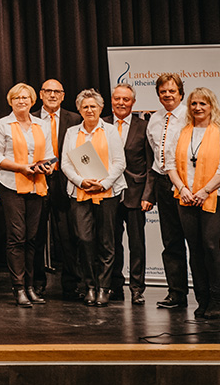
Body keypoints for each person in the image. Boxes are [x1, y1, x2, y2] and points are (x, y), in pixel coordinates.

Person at [166, 88, 220, 320]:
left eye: (203, 104)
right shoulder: (181, 132)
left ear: (211, 106)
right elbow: (169, 165)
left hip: (213, 195)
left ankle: (216, 299)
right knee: (194, 249)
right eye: (194, 103)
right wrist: (183, 189)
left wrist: (204, 190)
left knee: (210, 246)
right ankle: (202, 298)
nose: (198, 108)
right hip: (185, 197)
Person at [0, 83, 54, 308]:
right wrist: (20, 167)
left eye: (25, 97)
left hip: (37, 185)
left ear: (33, 100)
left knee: (32, 238)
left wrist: (47, 167)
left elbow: (49, 155)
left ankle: (30, 286)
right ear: (10, 101)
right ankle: (18, 288)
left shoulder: (41, 124)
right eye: (17, 98)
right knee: (17, 237)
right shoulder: (2, 124)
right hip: (11, 185)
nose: (21, 101)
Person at [60, 89, 126, 307]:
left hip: (107, 193)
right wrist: (81, 181)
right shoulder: (71, 133)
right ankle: (89, 286)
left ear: (100, 108)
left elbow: (119, 162)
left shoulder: (110, 131)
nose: (89, 110)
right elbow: (65, 164)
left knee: (107, 242)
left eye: (93, 106)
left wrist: (104, 183)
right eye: (85, 106)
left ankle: (104, 288)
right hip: (80, 193)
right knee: (84, 240)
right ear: (79, 109)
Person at [33, 78, 83, 300]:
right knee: (35, 235)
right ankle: (36, 283)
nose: (52, 95)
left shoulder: (75, 119)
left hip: (67, 183)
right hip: (38, 181)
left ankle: (72, 284)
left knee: (69, 236)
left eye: (57, 92)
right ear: (41, 94)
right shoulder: (30, 118)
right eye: (48, 91)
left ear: (63, 96)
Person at [106, 83, 153, 305]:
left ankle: (137, 288)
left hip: (136, 192)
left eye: (126, 99)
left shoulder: (144, 126)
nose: (121, 103)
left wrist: (148, 195)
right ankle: (115, 286)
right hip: (108, 192)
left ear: (133, 103)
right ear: (112, 100)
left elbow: (150, 163)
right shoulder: (102, 124)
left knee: (137, 243)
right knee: (111, 242)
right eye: (117, 99)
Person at [146, 73, 190, 309]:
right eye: (163, 91)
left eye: (172, 91)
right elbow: (153, 156)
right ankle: (177, 294)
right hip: (164, 184)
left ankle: (205, 296)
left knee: (196, 241)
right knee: (171, 241)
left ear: (180, 93)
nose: (168, 95)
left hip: (187, 184)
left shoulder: (190, 115)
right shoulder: (154, 119)